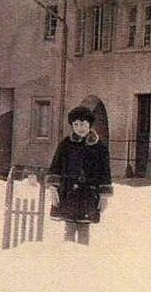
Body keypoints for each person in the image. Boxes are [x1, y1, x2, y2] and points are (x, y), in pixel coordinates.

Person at [46, 105, 113, 245]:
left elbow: (105, 172)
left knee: (84, 226)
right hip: (68, 191)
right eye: (75, 124)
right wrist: (53, 188)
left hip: (89, 193)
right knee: (69, 225)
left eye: (82, 124)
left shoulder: (100, 148)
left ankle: (82, 257)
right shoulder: (65, 145)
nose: (79, 127)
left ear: (89, 124)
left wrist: (104, 195)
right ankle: (68, 255)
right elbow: (55, 166)